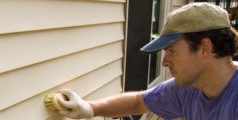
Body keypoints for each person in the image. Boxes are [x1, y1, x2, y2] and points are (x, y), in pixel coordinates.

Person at [55, 2, 238, 120]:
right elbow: (138, 102)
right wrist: (89, 108)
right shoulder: (187, 89)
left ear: (205, 48)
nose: (165, 62)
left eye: (172, 51)